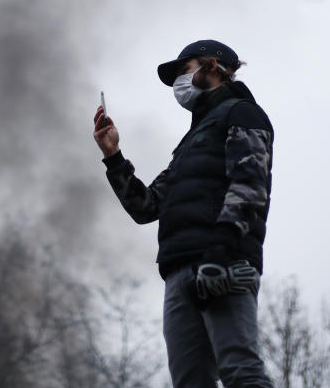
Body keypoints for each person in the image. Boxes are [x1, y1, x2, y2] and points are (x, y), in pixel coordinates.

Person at [92, 40, 275, 388]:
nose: (179, 81)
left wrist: (220, 255)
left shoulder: (243, 113)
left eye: (184, 69)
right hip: (178, 272)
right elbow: (146, 207)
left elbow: (250, 187)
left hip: (224, 262)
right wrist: (113, 156)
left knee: (240, 371)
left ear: (211, 65)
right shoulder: (190, 141)